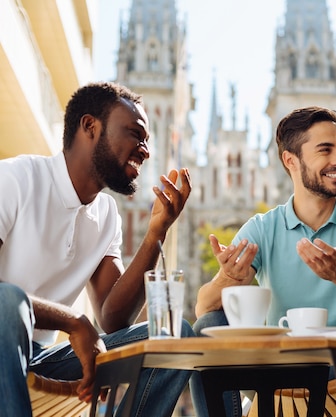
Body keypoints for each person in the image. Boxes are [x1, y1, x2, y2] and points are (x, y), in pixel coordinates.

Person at [192, 106, 336, 417]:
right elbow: (203, 311)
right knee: (207, 326)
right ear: (291, 161)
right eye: (325, 150)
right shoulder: (262, 228)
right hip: (277, 377)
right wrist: (227, 278)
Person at [0, 81, 193, 416]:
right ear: (90, 126)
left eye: (147, 141)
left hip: (40, 357)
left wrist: (155, 234)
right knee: (7, 300)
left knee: (176, 337)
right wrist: (74, 321)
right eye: (135, 134)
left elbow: (114, 317)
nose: (145, 150)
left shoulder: (106, 215)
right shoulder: (15, 179)